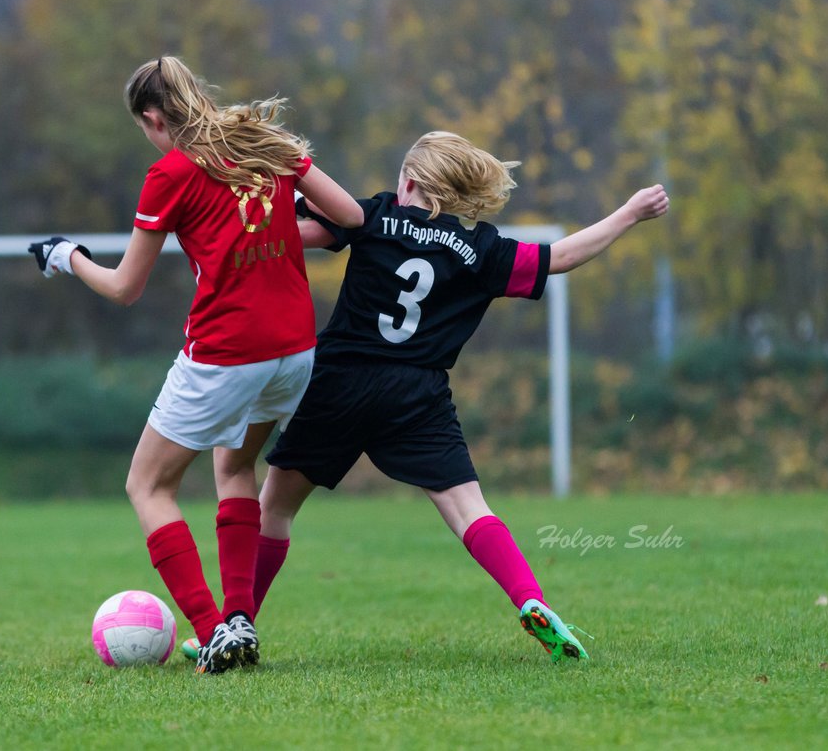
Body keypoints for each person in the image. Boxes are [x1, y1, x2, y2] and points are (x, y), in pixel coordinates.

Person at [252, 130, 669, 663]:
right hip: (418, 392)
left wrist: (271, 196)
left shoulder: (376, 215)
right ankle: (532, 600)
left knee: (276, 506)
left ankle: (236, 623)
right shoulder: (482, 249)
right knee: (468, 508)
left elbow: (300, 233)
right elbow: (561, 257)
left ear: (408, 182)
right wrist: (630, 213)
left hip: (340, 381)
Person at [29, 56, 363, 674]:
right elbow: (349, 219)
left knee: (148, 485)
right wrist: (272, 225)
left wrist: (67, 256)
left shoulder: (173, 172)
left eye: (145, 129)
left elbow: (126, 286)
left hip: (225, 354)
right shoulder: (266, 143)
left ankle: (211, 631)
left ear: (155, 119)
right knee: (235, 463)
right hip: (294, 351)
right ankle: (239, 621)